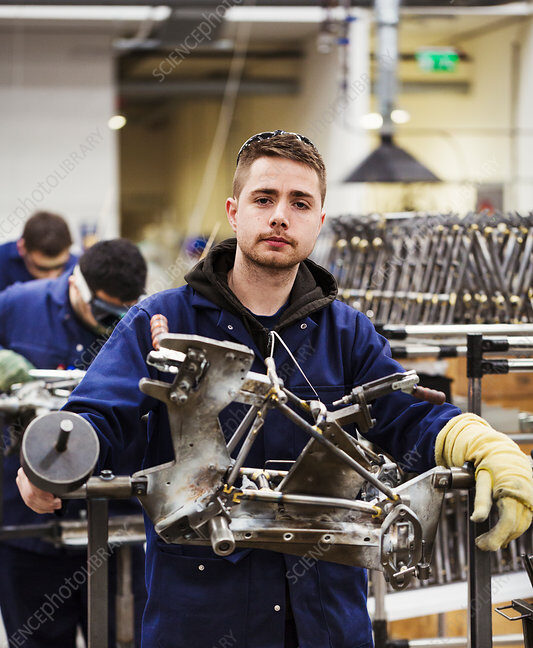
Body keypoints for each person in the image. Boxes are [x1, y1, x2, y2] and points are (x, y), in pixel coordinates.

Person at [17, 132, 533, 648]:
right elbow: (98, 415)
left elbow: (403, 414)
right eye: (264, 199)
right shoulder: (162, 319)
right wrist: (54, 460)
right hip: (201, 618)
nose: (281, 216)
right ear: (234, 212)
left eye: (299, 203)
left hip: (325, 623)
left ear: (319, 220)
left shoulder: (347, 333)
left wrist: (477, 441)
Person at [0, 239, 148, 648]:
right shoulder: (18, 305)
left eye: (120, 315)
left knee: (127, 638)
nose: (110, 324)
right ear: (76, 285)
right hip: (30, 528)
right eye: (103, 312)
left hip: (118, 527)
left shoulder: (144, 323)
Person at [0, 211, 78, 292]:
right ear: (21, 248)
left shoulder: (77, 266)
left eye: (59, 266)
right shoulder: (2, 259)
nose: (53, 277)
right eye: (42, 269)